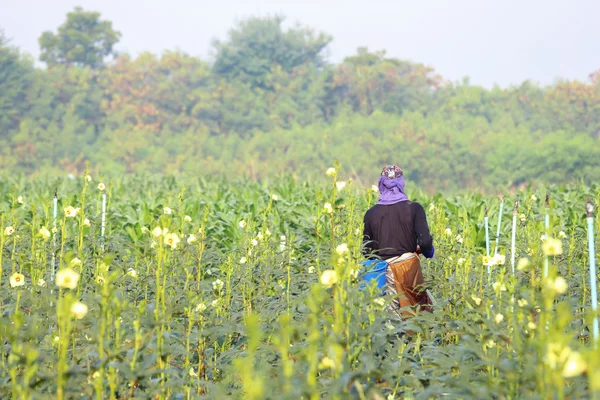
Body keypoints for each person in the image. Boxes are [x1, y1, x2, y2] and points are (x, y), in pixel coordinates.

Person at [362, 165, 435, 319]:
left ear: (381, 184)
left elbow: (366, 251)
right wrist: (427, 252)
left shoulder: (371, 214)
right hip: (408, 268)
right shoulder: (414, 209)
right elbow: (425, 241)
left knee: (389, 319)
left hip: (382, 272)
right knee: (418, 314)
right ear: (402, 183)